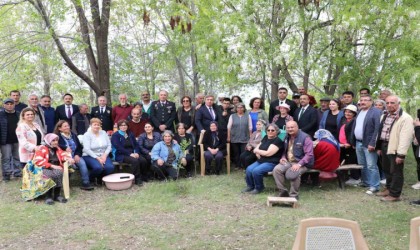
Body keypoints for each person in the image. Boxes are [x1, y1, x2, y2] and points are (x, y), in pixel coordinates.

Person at [375, 96, 413, 202]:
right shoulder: (385, 115)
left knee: (396, 171)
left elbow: (406, 137)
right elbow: (381, 131)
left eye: (392, 103)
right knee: (387, 169)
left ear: (398, 103)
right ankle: (388, 189)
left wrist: (401, 154)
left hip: (395, 148)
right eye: (387, 103)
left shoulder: (405, 118)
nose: (389, 105)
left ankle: (395, 194)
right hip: (385, 145)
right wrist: (379, 146)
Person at [272, 121, 314, 200]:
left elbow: (309, 155)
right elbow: (285, 150)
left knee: (293, 173)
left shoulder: (305, 137)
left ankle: (294, 195)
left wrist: (299, 164)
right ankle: (282, 191)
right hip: (289, 161)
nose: (290, 129)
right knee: (276, 169)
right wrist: (283, 157)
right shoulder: (286, 136)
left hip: (303, 163)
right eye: (288, 128)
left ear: (297, 127)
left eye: (292, 127)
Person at [351, 95, 382, 195]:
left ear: (371, 101)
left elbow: (378, 129)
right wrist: (353, 141)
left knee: (371, 165)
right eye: (361, 100)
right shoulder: (360, 111)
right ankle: (366, 182)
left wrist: (373, 143)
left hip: (369, 144)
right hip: (358, 142)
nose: (363, 102)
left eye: (365, 100)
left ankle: (375, 186)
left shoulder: (376, 112)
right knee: (362, 165)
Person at [31, 133, 74, 204]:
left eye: (57, 140)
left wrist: (69, 159)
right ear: (48, 141)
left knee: (59, 173)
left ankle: (57, 195)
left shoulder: (57, 148)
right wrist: (51, 166)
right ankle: (48, 196)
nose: (56, 142)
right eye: (53, 140)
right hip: (44, 167)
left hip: (56, 166)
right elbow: (38, 161)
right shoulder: (42, 148)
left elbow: (63, 155)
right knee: (49, 175)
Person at [242, 123, 284, 194]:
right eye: (268, 130)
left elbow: (268, 153)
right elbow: (258, 147)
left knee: (256, 171)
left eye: (272, 130)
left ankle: (259, 188)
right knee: (249, 169)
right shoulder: (265, 138)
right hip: (262, 160)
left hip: (271, 162)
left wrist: (257, 151)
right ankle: (250, 186)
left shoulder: (278, 141)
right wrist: (258, 151)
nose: (270, 131)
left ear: (276, 131)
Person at [55, 120, 93, 190]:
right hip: (64, 157)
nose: (67, 127)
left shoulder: (73, 135)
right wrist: (64, 148)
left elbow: (79, 147)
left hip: (74, 155)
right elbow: (55, 146)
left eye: (68, 126)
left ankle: (86, 183)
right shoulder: (57, 137)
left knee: (82, 164)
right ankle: (65, 184)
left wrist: (77, 155)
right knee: (71, 167)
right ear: (59, 128)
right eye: (65, 126)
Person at [111, 120, 148, 185]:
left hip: (133, 153)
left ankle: (143, 176)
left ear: (127, 126)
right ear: (119, 127)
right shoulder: (115, 135)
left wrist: (136, 152)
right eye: (121, 125)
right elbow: (119, 148)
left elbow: (136, 145)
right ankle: (137, 179)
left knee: (143, 160)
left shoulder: (130, 134)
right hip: (121, 154)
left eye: (125, 125)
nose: (123, 127)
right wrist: (130, 154)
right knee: (135, 161)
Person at [82, 118, 114, 184]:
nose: (97, 126)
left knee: (110, 167)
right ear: (91, 125)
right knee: (98, 167)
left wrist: (105, 155)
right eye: (95, 124)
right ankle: (91, 179)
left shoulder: (104, 133)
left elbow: (109, 145)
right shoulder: (87, 135)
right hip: (90, 155)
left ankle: (101, 178)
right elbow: (86, 149)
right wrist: (98, 158)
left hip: (103, 155)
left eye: (98, 125)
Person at [338, 105, 360, 186]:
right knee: (341, 160)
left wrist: (350, 143)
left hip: (350, 145)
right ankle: (344, 177)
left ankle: (356, 178)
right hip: (342, 145)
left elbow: (353, 133)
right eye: (346, 111)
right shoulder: (343, 119)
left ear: (354, 113)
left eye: (350, 112)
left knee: (352, 161)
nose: (347, 113)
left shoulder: (355, 121)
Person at [0, 98, 21, 181]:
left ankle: (17, 173)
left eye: (11, 104)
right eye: (7, 104)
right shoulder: (1, 114)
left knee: (17, 157)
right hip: (5, 141)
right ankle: (6, 175)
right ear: (4, 105)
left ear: (14, 105)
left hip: (17, 140)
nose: (9, 106)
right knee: (6, 158)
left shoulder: (19, 114)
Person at [227, 103, 252, 169]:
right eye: (238, 107)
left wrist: (251, 138)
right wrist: (229, 137)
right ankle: (237, 165)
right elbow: (229, 127)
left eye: (241, 107)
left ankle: (243, 165)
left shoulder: (248, 116)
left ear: (244, 108)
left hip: (245, 137)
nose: (240, 109)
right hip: (234, 137)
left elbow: (250, 127)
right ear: (236, 108)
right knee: (236, 153)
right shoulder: (232, 116)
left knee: (243, 153)